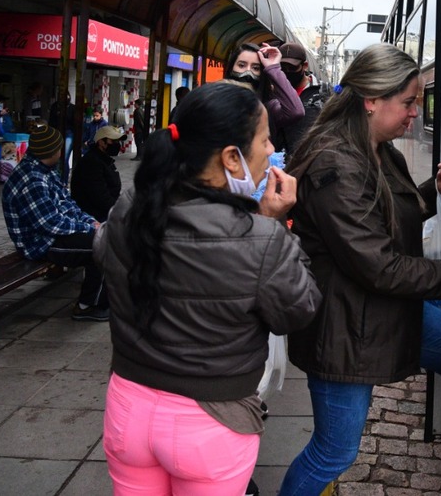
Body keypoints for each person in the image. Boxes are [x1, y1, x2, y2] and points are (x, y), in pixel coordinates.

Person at [95, 81, 321, 495]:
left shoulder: (130, 208)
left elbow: (102, 250)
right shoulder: (260, 238)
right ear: (232, 158)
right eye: (265, 138)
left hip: (128, 408)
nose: (271, 149)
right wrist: (275, 226)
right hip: (211, 422)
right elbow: (299, 308)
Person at [279, 43, 441, 496]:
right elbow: (380, 267)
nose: (413, 114)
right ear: (371, 100)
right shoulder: (336, 163)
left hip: (384, 313)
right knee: (334, 452)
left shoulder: (378, 149)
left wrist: (431, 191)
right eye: (407, 102)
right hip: (345, 329)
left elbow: (384, 214)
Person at [2, 125, 110, 322]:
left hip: (54, 235)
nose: (61, 153)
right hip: (40, 244)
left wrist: (90, 222)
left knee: (106, 236)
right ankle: (89, 305)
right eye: (59, 149)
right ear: (52, 151)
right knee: (103, 246)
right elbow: (50, 223)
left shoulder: (45, 171)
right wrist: (89, 228)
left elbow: (68, 205)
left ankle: (100, 299)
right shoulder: (32, 179)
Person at [224, 42, 304, 132]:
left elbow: (295, 112)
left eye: (255, 68)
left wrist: (273, 68)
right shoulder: (216, 100)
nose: (248, 72)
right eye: (241, 65)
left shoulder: (267, 108)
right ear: (231, 68)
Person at [272, 42, 324, 158]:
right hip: (279, 160)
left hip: (311, 161)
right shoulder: (273, 92)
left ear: (305, 66)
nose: (287, 72)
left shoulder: (323, 92)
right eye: (282, 68)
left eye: (292, 68)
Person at [71, 125, 125, 222]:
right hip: (94, 216)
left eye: (118, 141)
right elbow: (101, 198)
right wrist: (120, 211)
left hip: (104, 211)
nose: (117, 144)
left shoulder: (104, 159)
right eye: (113, 141)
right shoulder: (91, 162)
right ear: (101, 142)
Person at [48, 90, 76, 180]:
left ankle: (63, 181)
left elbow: (75, 123)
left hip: (68, 133)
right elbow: (51, 122)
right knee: (57, 158)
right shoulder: (55, 107)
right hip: (56, 133)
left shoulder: (72, 108)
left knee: (64, 158)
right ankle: (57, 179)